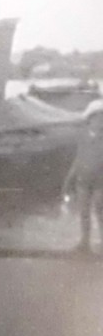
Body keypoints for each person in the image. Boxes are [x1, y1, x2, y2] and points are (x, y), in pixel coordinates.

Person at [62, 99, 103, 253]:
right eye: (97, 118)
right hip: (82, 181)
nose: (100, 122)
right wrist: (68, 180)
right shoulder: (83, 137)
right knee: (83, 212)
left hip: (101, 181)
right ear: (89, 119)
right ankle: (84, 242)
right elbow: (78, 160)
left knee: (100, 210)